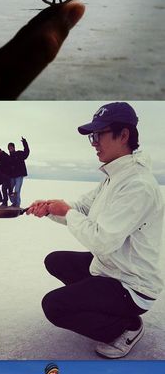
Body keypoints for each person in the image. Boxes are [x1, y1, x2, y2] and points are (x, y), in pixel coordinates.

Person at [27, 102, 164, 358]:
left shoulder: (137, 185)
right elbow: (80, 208)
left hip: (132, 284)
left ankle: (126, 326)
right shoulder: (115, 177)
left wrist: (66, 212)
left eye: (98, 134)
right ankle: (102, 307)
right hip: (112, 267)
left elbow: (102, 242)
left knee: (54, 306)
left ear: (123, 135)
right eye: (93, 135)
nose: (94, 142)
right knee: (55, 261)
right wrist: (49, 208)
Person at [8, 137, 30, 206]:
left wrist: (24, 142)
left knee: (17, 190)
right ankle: (14, 202)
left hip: (19, 176)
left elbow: (26, 152)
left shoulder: (19, 153)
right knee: (10, 190)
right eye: (9, 148)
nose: (10, 148)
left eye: (11, 147)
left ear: (14, 147)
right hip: (12, 176)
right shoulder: (8, 157)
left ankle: (17, 204)